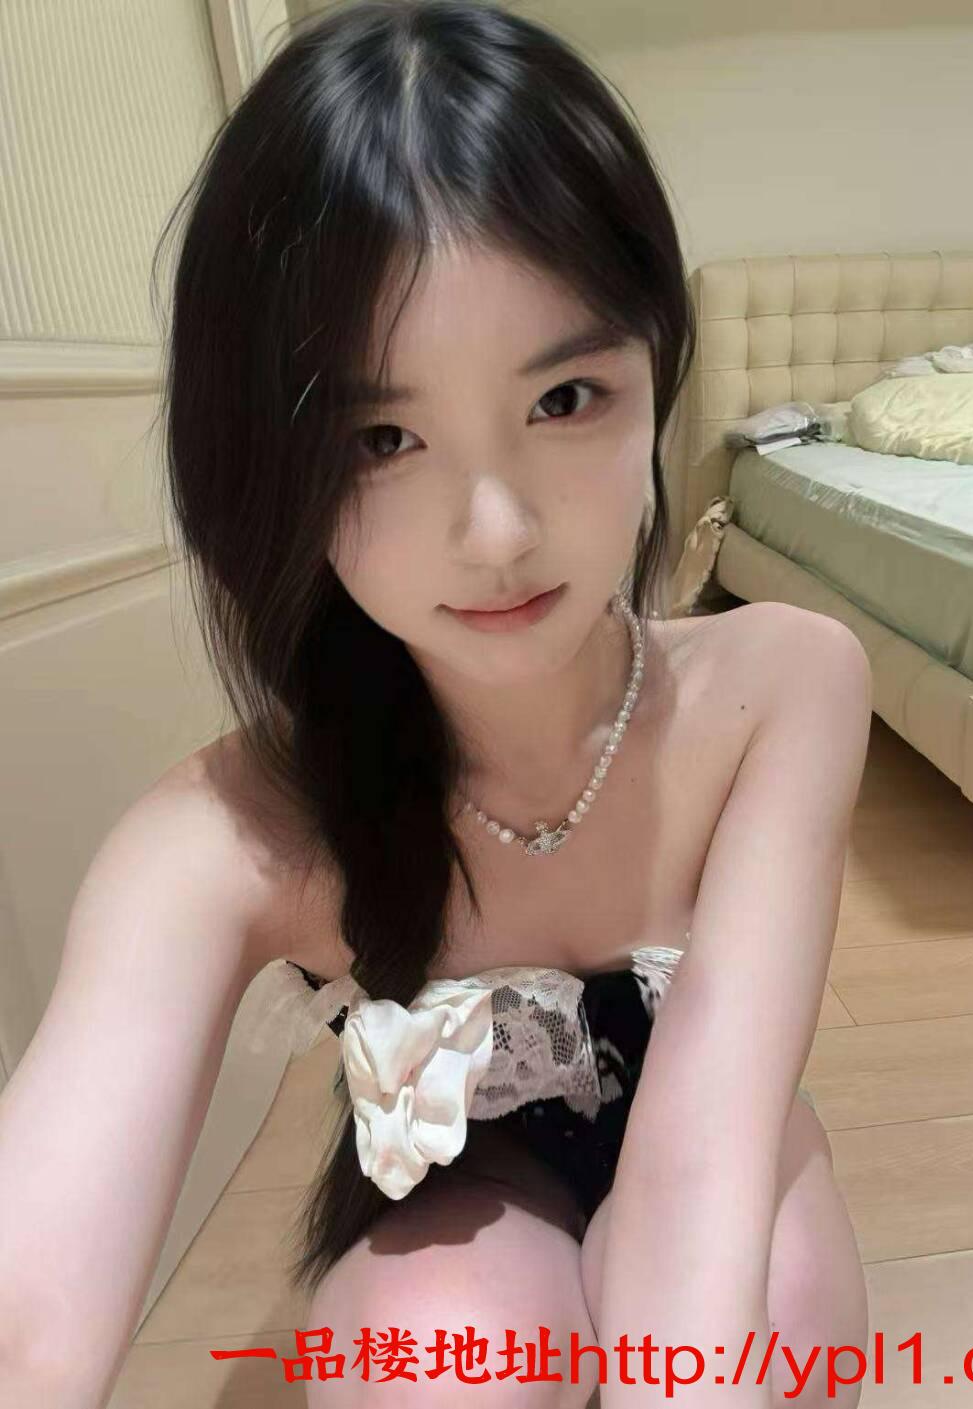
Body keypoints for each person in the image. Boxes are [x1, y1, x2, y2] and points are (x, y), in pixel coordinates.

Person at [0, 2, 873, 1405]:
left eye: (566, 396)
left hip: (731, 1151)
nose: (496, 532)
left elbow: (704, 1163)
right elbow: (28, 1307)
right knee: (430, 1365)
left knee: (771, 1311)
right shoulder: (231, 833)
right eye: (382, 437)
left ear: (658, 368)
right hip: (461, 1200)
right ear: (266, 460)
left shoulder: (784, 682)